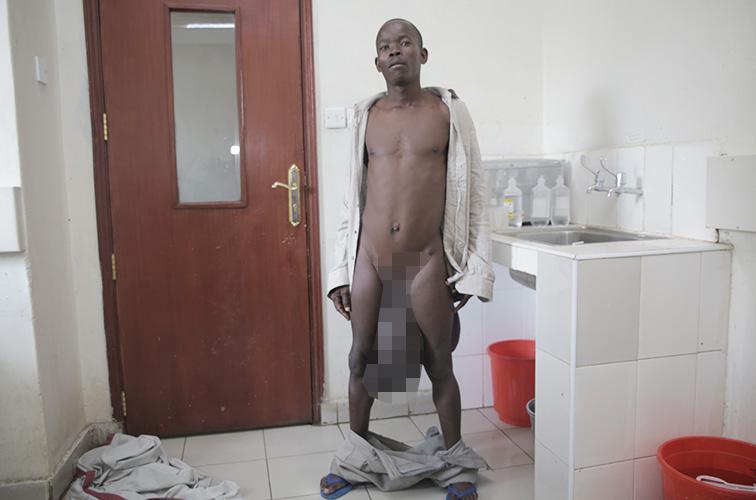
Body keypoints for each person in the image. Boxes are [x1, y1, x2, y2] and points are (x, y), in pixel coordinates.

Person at [320, 18, 494, 500]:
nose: (395, 50)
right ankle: (355, 458)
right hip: (371, 258)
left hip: (426, 259)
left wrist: (473, 269)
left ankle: (456, 462)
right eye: (385, 46)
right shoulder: (366, 117)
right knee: (360, 359)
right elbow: (349, 198)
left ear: (423, 53)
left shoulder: (448, 112)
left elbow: (476, 190)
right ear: (376, 61)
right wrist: (340, 272)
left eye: (405, 43)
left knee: (439, 362)